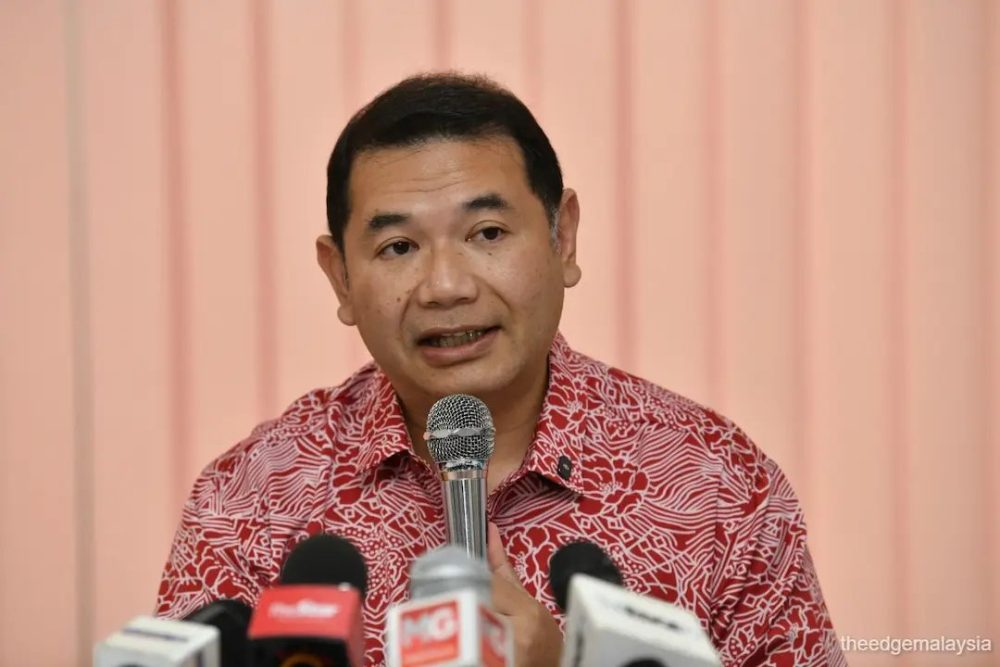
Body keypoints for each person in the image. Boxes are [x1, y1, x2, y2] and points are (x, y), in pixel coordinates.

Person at [156, 72, 846, 666]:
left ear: (563, 236)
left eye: (487, 233)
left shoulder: (717, 487)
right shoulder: (251, 500)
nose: (445, 286)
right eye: (399, 247)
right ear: (340, 278)